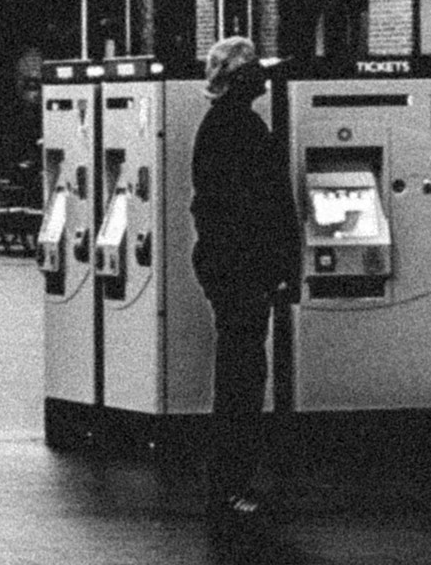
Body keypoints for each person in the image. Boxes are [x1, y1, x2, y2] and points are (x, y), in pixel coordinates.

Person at [185, 38, 298, 520]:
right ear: (237, 76)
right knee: (243, 377)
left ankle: (229, 482)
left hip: (229, 265)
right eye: (255, 68)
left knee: (241, 371)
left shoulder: (222, 124)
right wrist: (279, 267)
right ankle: (230, 484)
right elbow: (265, 205)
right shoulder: (242, 127)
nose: (265, 76)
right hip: (242, 269)